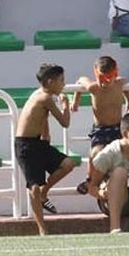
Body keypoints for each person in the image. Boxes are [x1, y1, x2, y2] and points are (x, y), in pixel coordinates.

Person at [14, 62, 76, 236]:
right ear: (50, 82)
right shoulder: (45, 97)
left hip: (37, 142)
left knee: (68, 164)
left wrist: (46, 136)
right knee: (33, 187)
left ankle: (45, 192)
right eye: (61, 80)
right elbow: (65, 123)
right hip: (25, 145)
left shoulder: (42, 95)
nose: (64, 84)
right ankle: (42, 228)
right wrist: (65, 105)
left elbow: (43, 117)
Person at [73, 55, 129, 193]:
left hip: (118, 128)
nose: (105, 82)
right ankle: (89, 179)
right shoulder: (94, 88)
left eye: (110, 77)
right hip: (101, 129)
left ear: (115, 73)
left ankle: (115, 180)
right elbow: (80, 80)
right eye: (102, 78)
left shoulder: (119, 83)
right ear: (96, 72)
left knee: (121, 156)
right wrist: (75, 101)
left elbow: (126, 87)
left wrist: (128, 101)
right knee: (95, 154)